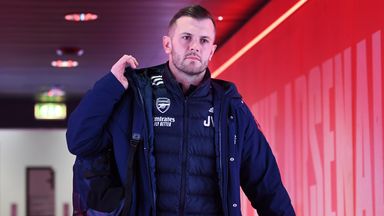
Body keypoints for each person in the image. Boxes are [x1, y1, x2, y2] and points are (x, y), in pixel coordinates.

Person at [67, 4, 295, 216]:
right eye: (186, 37)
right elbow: (79, 140)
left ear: (212, 51)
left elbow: (268, 187)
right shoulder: (136, 95)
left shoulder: (230, 109)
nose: (195, 46)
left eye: (204, 40)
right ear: (167, 44)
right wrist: (110, 86)